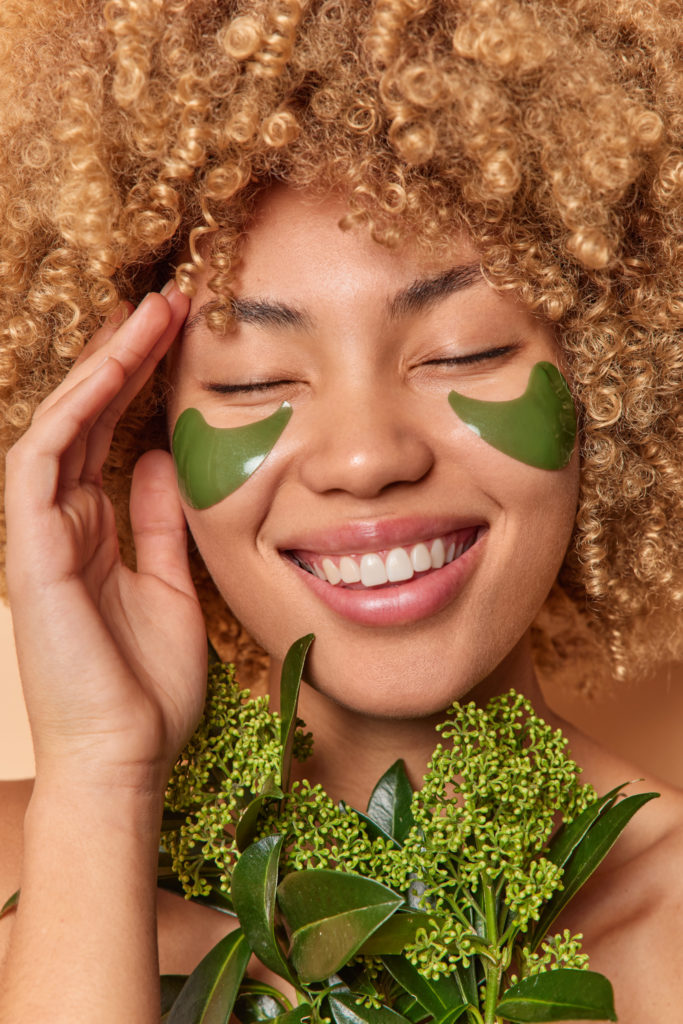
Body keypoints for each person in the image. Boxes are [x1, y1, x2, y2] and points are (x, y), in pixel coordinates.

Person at [0, 0, 681, 1020]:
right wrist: (100, 786)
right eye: (251, 378)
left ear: (612, 379)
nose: (366, 458)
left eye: (464, 351)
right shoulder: (30, 879)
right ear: (138, 430)